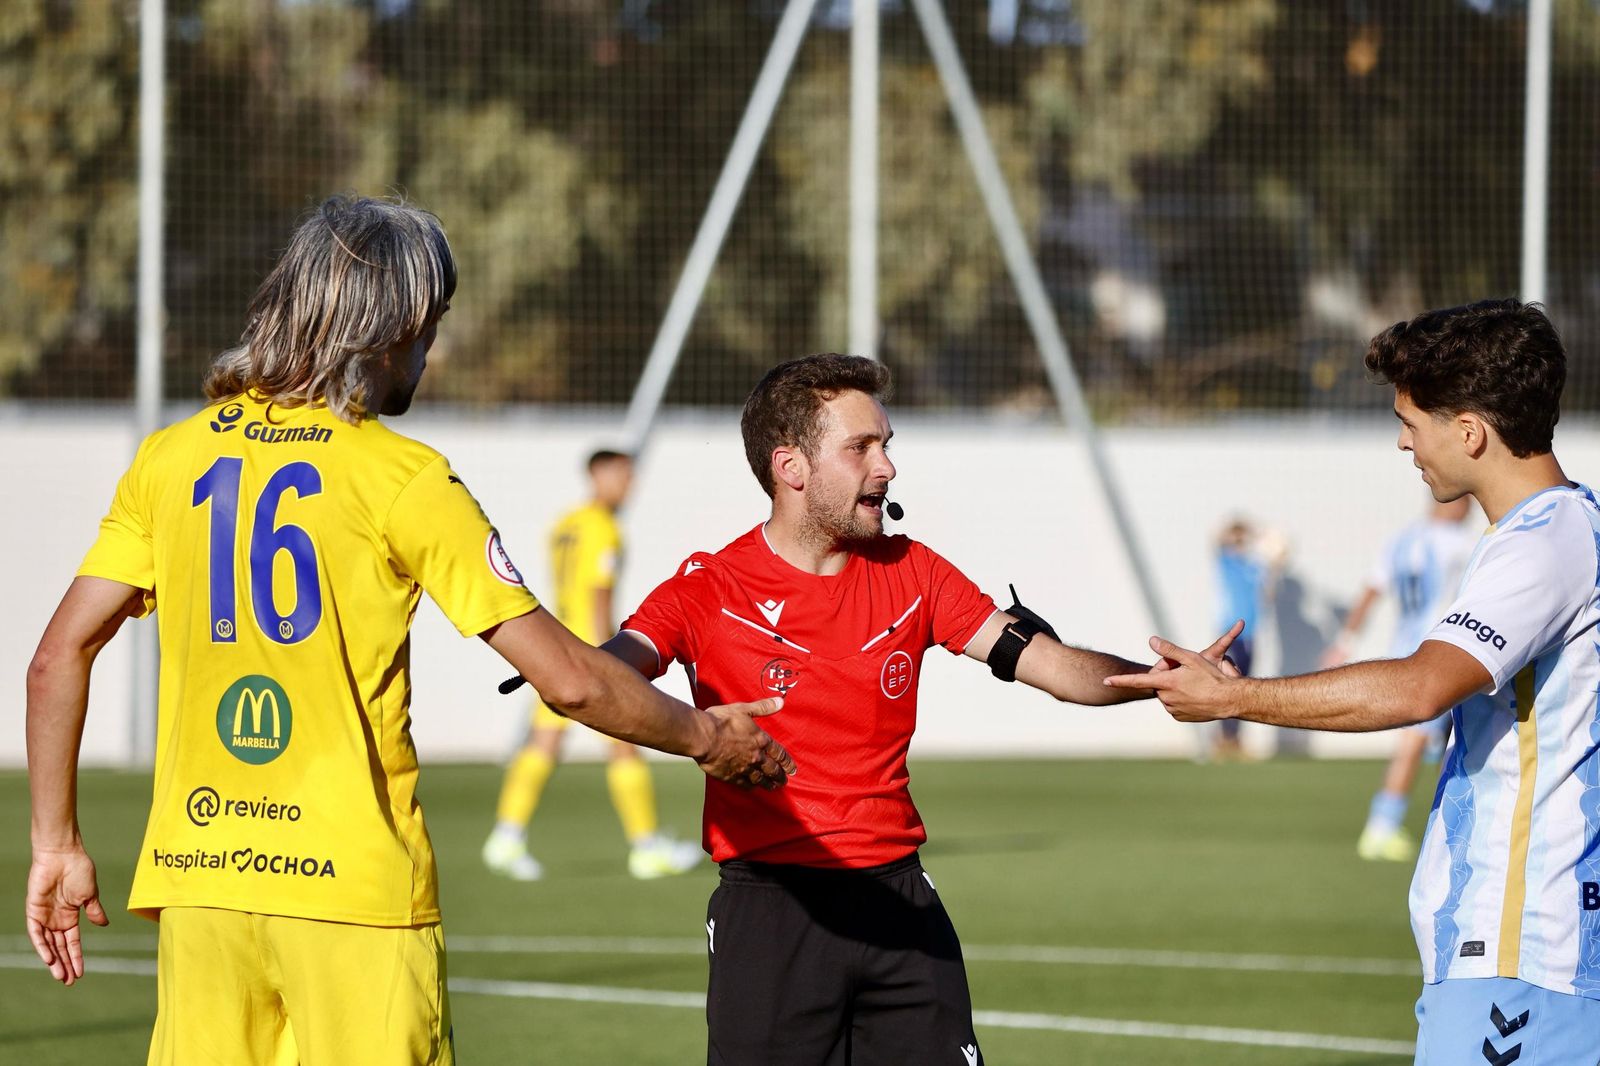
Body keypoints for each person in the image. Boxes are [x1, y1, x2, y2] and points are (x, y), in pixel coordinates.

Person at [24, 195, 792, 1066]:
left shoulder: (171, 456)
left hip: (200, 887)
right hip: (353, 892)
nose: (433, 352)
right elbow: (569, 679)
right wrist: (704, 735)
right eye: (433, 326)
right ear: (392, 329)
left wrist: (56, 842)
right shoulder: (403, 476)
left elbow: (58, 656)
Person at [596, 353, 1239, 1065]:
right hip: (772, 910)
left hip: (899, 900)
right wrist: (689, 731)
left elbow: (1056, 669)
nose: (887, 468)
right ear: (791, 466)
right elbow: (603, 679)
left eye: (887, 445)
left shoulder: (915, 571)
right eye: (861, 447)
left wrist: (1152, 680)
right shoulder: (707, 588)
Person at [1108, 299, 1600, 1064]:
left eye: (1413, 421)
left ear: (1469, 431)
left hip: (1519, 959)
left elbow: (1417, 689)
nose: (1404, 442)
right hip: (1509, 958)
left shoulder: (1546, 543)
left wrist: (1233, 697)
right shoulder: (1558, 533)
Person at [483, 449, 701, 881]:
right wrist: (614, 663)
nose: (627, 484)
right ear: (597, 474)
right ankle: (646, 847)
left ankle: (505, 838)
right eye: (620, 474)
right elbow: (600, 600)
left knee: (542, 745)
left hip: (555, 649)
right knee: (625, 741)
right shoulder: (605, 530)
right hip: (588, 653)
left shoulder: (565, 524)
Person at [1320, 496, 1478, 861]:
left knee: (1440, 739)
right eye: (1466, 501)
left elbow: (1370, 592)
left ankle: (1438, 824)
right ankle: (1384, 827)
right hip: (1440, 650)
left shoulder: (1402, 540)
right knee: (1426, 740)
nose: (1470, 508)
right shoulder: (1460, 544)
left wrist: (1344, 642)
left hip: (1404, 647)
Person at [1209, 517, 1287, 760]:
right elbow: (1217, 540)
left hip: (1251, 634)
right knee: (1226, 683)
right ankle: (1222, 738)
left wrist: (1274, 563)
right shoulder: (1228, 561)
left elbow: (1268, 594)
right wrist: (1248, 532)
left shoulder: (1254, 567)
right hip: (1230, 634)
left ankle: (1234, 739)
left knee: (1242, 686)